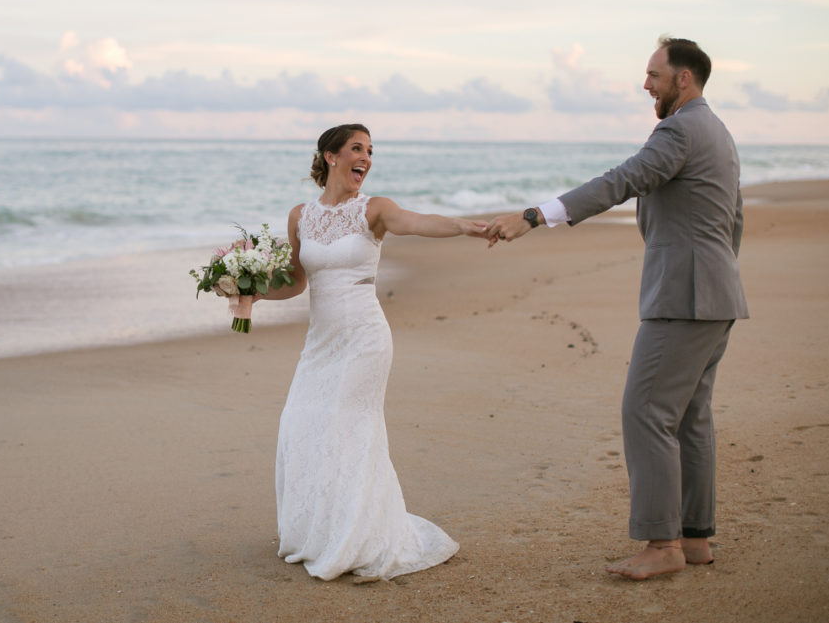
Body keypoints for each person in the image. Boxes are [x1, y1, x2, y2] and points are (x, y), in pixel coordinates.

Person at [485, 37, 748, 580]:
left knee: (646, 410)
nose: (645, 84)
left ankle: (662, 544)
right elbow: (734, 219)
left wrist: (536, 215)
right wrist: (716, 280)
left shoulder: (678, 130)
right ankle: (694, 539)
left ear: (684, 79)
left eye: (654, 74)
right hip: (716, 294)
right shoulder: (718, 132)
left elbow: (621, 180)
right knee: (690, 416)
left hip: (684, 297)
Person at [259, 123, 489, 580]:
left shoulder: (375, 210)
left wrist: (467, 226)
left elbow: (419, 223)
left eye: (370, 151)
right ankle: (317, 532)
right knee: (301, 422)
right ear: (330, 157)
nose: (365, 158)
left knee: (349, 429)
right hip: (320, 342)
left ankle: (356, 536)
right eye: (356, 149)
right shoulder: (299, 216)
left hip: (364, 337)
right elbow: (296, 280)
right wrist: (247, 291)